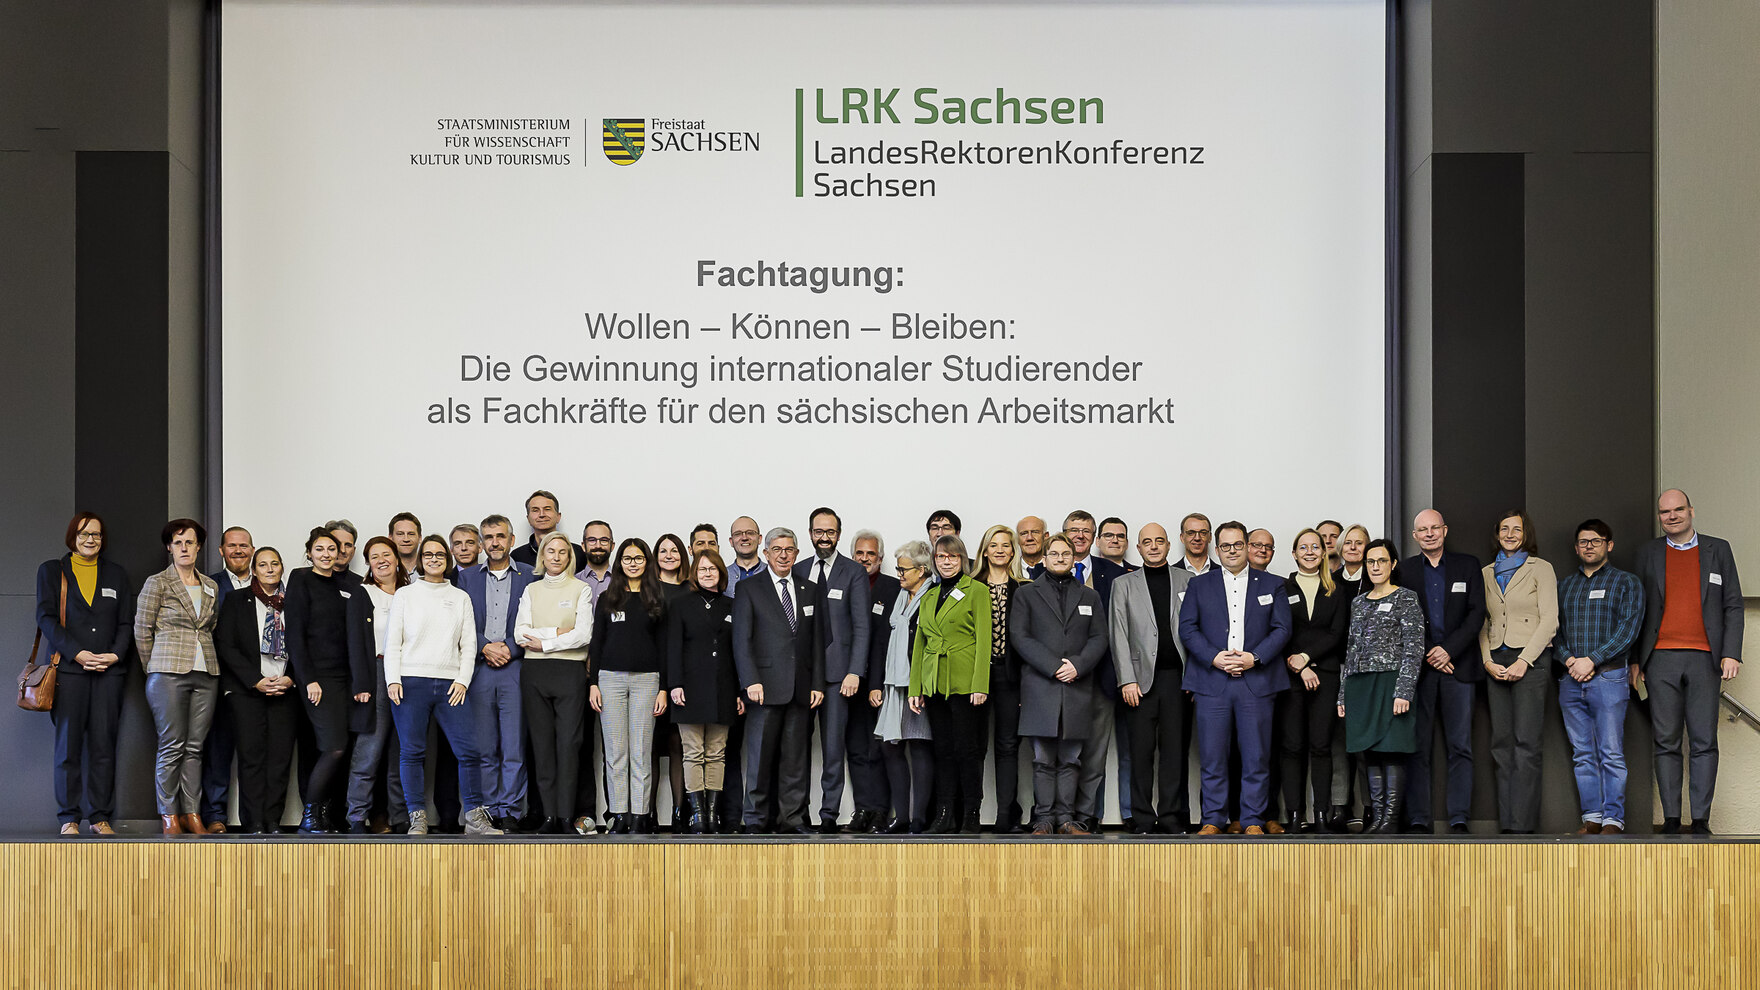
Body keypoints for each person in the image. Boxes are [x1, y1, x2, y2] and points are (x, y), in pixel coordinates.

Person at [1633, 489, 1743, 835]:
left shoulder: (1718, 549)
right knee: (1665, 740)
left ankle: (1700, 820)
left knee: (1703, 741)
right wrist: (1636, 661)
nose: (1672, 516)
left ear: (1691, 511)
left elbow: (1733, 605)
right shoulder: (1648, 552)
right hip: (1660, 658)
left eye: (1679, 509)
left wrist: (1731, 652)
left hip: (1705, 659)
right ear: (1659, 517)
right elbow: (1638, 610)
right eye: (1665, 512)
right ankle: (1669, 818)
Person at [1178, 520, 1292, 836]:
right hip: (1212, 682)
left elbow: (1282, 629)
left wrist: (1253, 658)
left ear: (1247, 546)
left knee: (1257, 756)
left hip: (1256, 683)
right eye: (1225, 546)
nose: (1231, 551)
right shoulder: (1199, 585)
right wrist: (1214, 657)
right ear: (1217, 549)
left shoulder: (1272, 584)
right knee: (1213, 757)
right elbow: (1187, 628)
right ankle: (1213, 819)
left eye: (1237, 545)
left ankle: (1253, 819)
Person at [384, 535, 500, 836]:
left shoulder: (459, 597)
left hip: (451, 685)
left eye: (439, 555)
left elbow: (468, 642)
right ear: (421, 560)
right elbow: (393, 641)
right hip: (410, 683)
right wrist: (392, 679)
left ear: (447, 560)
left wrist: (462, 680)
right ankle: (417, 817)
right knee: (412, 752)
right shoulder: (406, 595)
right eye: (428, 555)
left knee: (469, 751)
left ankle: (475, 817)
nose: (434, 559)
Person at [37, 512, 133, 836]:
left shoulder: (117, 575)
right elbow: (46, 618)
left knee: (104, 747)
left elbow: (125, 623)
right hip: (69, 672)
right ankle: (69, 818)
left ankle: (100, 817)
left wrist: (116, 654)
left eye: (96, 534)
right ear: (72, 537)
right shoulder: (52, 571)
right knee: (68, 748)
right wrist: (76, 653)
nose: (90, 539)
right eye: (83, 533)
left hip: (109, 674)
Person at [1395, 509, 1486, 834]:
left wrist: (1448, 650)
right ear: (1415, 535)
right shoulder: (1403, 570)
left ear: (1445, 531)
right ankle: (1419, 818)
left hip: (1458, 667)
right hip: (1419, 671)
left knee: (1460, 746)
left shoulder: (1468, 565)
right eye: (1423, 529)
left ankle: (1459, 817)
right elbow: (1401, 620)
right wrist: (1430, 652)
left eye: (1435, 528)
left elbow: (1477, 614)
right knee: (1417, 747)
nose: (1430, 533)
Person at [1011, 532, 1108, 835]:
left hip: (1077, 687)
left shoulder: (1090, 596)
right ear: (1044, 557)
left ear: (1074, 557)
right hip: (1041, 687)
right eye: (1054, 553)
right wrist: (1054, 667)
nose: (1060, 558)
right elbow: (1020, 637)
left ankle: (1066, 819)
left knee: (1071, 759)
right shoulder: (1026, 594)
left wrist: (1077, 665)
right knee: (1042, 758)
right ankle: (1043, 819)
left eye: (1066, 553)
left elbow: (1099, 638)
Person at [732, 527, 825, 833]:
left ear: (796, 554)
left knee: (795, 761)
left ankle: (792, 819)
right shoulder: (750, 588)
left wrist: (817, 684)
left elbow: (818, 641)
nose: (784, 555)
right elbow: (741, 641)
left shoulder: (809, 588)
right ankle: (756, 820)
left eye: (790, 550)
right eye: (778, 549)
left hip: (801, 688)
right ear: (766, 553)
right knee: (759, 759)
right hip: (764, 687)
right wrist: (749, 681)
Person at [134, 518, 222, 835]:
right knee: (172, 745)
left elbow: (209, 628)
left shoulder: (211, 585)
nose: (184, 547)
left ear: (199, 547)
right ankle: (169, 814)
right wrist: (154, 667)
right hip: (166, 673)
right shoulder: (157, 583)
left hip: (207, 673)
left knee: (196, 748)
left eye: (190, 542)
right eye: (178, 542)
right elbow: (142, 631)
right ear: (170, 547)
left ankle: (192, 814)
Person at [1556, 519, 1643, 836]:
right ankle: (1592, 818)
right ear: (1576, 547)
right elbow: (1555, 631)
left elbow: (1628, 631)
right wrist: (1569, 659)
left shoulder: (1626, 583)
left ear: (1610, 544)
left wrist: (1591, 659)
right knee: (1582, 754)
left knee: (1610, 752)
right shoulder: (1565, 586)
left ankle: (1613, 821)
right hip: (1570, 681)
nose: (1588, 546)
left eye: (1595, 540)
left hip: (1609, 678)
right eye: (1583, 541)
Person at [284, 528, 373, 833]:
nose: (326, 554)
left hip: (343, 679)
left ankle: (323, 815)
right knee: (333, 747)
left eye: (331, 550)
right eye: (320, 549)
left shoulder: (348, 584)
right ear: (309, 552)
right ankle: (310, 815)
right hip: (317, 678)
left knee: (340, 749)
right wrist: (308, 679)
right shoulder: (300, 579)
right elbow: (294, 634)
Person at [1476, 510, 1558, 834]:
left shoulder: (1541, 569)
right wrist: (1486, 660)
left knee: (1527, 744)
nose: (1510, 534)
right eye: (1504, 529)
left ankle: (1524, 826)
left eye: (1517, 529)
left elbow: (1549, 619)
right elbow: (1482, 622)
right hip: (1495, 658)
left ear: (1527, 533)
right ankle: (1507, 825)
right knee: (1501, 743)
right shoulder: (1484, 573)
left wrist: (1525, 661)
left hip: (1532, 660)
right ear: (1497, 534)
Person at [1109, 522, 1193, 834]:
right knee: (1140, 754)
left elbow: (1197, 632)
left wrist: (1195, 679)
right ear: (1139, 547)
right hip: (1139, 683)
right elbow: (1118, 633)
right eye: (1147, 542)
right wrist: (1126, 680)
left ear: (1170, 546)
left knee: (1174, 753)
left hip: (1178, 681)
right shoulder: (1124, 584)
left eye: (1159, 541)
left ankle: (1171, 817)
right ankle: (1143, 818)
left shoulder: (1189, 580)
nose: (1154, 546)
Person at [1338, 539, 1425, 833]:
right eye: (1370, 562)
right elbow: (1350, 649)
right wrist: (1342, 693)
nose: (1375, 567)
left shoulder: (1406, 598)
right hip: (1360, 685)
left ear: (1393, 564)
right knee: (1369, 751)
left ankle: (1390, 819)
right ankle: (1376, 817)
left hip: (1390, 682)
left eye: (1381, 561)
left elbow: (1414, 648)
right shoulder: (1358, 602)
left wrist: (1404, 690)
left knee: (1392, 749)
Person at [909, 535, 991, 834]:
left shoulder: (976, 591)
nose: (947, 562)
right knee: (942, 751)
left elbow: (985, 641)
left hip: (966, 682)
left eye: (953, 557)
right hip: (934, 682)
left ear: (963, 560)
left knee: (967, 751)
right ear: (934, 561)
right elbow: (920, 644)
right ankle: (944, 813)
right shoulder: (928, 595)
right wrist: (915, 687)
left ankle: (971, 813)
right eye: (941, 557)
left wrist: (980, 684)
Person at [456, 514, 533, 830]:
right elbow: (460, 624)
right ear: (482, 543)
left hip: (515, 668)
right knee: (485, 748)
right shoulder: (468, 578)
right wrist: (485, 646)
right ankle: (488, 810)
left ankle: (511, 811)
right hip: (479, 669)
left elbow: (534, 621)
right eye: (488, 537)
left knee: (513, 746)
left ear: (512, 540)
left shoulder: (530, 575)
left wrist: (510, 649)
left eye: (500, 536)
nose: (495, 542)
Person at [514, 531, 594, 833]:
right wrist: (560, 633)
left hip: (570, 673)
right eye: (551, 551)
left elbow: (583, 634)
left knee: (569, 745)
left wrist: (544, 640)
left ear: (570, 557)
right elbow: (521, 634)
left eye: (562, 552)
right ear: (542, 556)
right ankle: (548, 815)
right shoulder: (531, 590)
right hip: (535, 674)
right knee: (542, 746)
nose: (557, 556)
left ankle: (565, 815)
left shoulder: (581, 589)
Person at [214, 547, 298, 833]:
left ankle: (274, 820)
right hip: (247, 691)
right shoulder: (237, 600)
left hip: (286, 689)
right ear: (254, 568)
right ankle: (254, 822)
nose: (270, 569)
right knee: (251, 758)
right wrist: (255, 679)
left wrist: (291, 678)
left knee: (279, 759)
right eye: (263, 564)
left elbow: (306, 645)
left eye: (275, 563)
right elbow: (226, 644)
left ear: (282, 567)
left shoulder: (295, 602)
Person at [589, 537, 669, 834]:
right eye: (627, 558)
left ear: (647, 562)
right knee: (616, 752)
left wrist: (663, 686)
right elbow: (597, 643)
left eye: (638, 558)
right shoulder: (608, 597)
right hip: (609, 680)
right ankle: (619, 814)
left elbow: (663, 645)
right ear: (619, 562)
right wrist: (594, 683)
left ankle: (640, 814)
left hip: (647, 681)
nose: (633, 563)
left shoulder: (656, 597)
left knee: (641, 752)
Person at [800, 507, 872, 833]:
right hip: (800, 676)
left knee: (833, 748)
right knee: (795, 749)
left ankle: (829, 813)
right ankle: (795, 813)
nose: (824, 537)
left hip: (839, 677)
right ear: (810, 533)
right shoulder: (798, 569)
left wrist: (855, 671)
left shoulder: (853, 572)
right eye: (818, 531)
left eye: (830, 531)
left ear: (839, 535)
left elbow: (862, 626)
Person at [1277, 529, 1349, 831]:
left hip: (1326, 676)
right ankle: (1295, 814)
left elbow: (1337, 633)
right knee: (1292, 745)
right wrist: (1299, 665)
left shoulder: (1337, 589)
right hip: (1290, 676)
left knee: (1321, 745)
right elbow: (1279, 631)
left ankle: (1321, 814)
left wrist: (1306, 659)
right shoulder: (1281, 588)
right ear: (1294, 553)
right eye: (1302, 547)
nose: (1309, 552)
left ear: (1323, 552)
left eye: (1315, 547)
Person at [666, 550, 740, 833]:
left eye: (713, 569)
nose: (708, 573)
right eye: (702, 569)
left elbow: (736, 652)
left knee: (717, 751)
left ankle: (713, 812)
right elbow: (673, 647)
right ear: (694, 574)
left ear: (721, 573)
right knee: (693, 751)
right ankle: (697, 813)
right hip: (689, 687)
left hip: (723, 686)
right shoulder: (681, 604)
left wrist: (738, 692)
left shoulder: (732, 604)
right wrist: (675, 684)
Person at [343, 536, 407, 833]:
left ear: (397, 558)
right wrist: (362, 683)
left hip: (409, 673)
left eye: (386, 554)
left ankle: (400, 817)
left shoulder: (413, 593)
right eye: (374, 556)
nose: (381, 560)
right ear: (368, 563)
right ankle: (356, 816)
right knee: (369, 749)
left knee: (402, 751)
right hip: (377, 673)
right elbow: (355, 642)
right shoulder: (363, 593)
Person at [872, 541, 935, 833]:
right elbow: (883, 641)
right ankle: (902, 816)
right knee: (890, 746)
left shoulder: (932, 595)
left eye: (903, 569)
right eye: (897, 567)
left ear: (922, 571)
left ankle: (919, 817)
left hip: (917, 683)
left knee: (919, 745)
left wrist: (919, 685)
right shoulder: (897, 596)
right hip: (894, 683)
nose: (898, 573)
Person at [201, 525, 254, 832]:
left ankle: (254, 816)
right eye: (231, 546)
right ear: (221, 551)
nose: (238, 550)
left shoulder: (268, 582)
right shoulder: (209, 585)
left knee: (253, 754)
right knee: (218, 751)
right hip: (219, 679)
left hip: (259, 683)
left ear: (252, 550)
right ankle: (215, 815)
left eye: (244, 545)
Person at [975, 524, 1026, 833]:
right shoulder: (969, 585)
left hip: (1011, 676)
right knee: (975, 746)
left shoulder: (1024, 587)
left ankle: (1006, 814)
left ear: (1012, 551)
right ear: (984, 550)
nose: (999, 550)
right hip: (977, 676)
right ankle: (971, 813)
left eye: (1005, 545)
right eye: (993, 545)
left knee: (1008, 746)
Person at [851, 529, 899, 832]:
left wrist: (878, 684)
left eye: (871, 554)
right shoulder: (843, 583)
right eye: (860, 553)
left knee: (881, 748)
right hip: (849, 682)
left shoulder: (894, 588)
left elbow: (889, 641)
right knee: (855, 748)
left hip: (882, 682)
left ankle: (881, 810)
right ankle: (862, 809)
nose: (865, 558)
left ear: (880, 558)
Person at [511, 490, 584, 568]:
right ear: (528, 519)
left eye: (547, 509)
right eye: (535, 510)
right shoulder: (517, 556)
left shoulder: (578, 553)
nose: (542, 514)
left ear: (558, 517)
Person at [725, 516, 767, 592]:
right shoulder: (721, 575)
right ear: (731, 541)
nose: (744, 538)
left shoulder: (772, 573)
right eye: (737, 534)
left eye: (750, 533)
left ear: (759, 539)